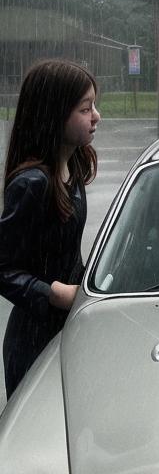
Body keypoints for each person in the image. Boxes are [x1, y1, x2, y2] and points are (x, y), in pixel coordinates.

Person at [0, 59, 100, 398]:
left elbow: (67, 251)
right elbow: (3, 267)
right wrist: (53, 292)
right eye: (86, 108)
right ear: (54, 114)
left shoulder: (71, 172)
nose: (96, 116)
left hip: (69, 327)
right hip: (34, 340)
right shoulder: (32, 184)